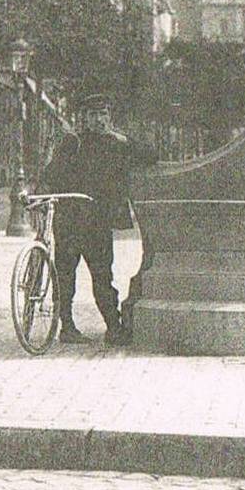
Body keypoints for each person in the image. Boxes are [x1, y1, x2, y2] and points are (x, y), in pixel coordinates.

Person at [39, 93, 154, 346]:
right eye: (93, 115)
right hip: (69, 221)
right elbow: (52, 173)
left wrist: (123, 138)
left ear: (110, 117)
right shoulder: (73, 143)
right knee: (65, 276)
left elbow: (150, 156)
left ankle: (113, 327)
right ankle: (67, 327)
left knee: (103, 276)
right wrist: (39, 193)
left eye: (103, 114)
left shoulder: (118, 143)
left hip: (98, 223)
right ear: (85, 119)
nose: (99, 120)